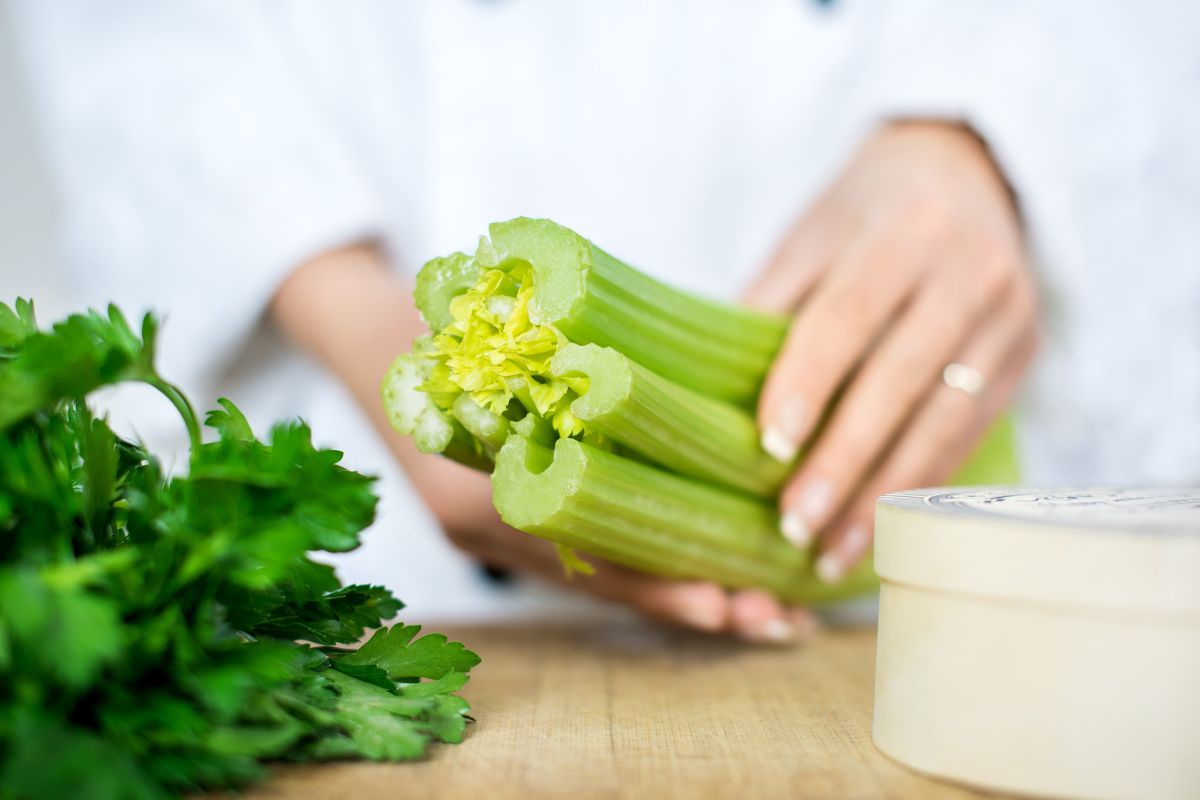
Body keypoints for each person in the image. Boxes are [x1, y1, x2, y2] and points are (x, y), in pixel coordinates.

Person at [10, 1, 1199, 642]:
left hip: (950, 534)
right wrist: (350, 309)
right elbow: (137, 33)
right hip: (375, 527)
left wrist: (976, 125)